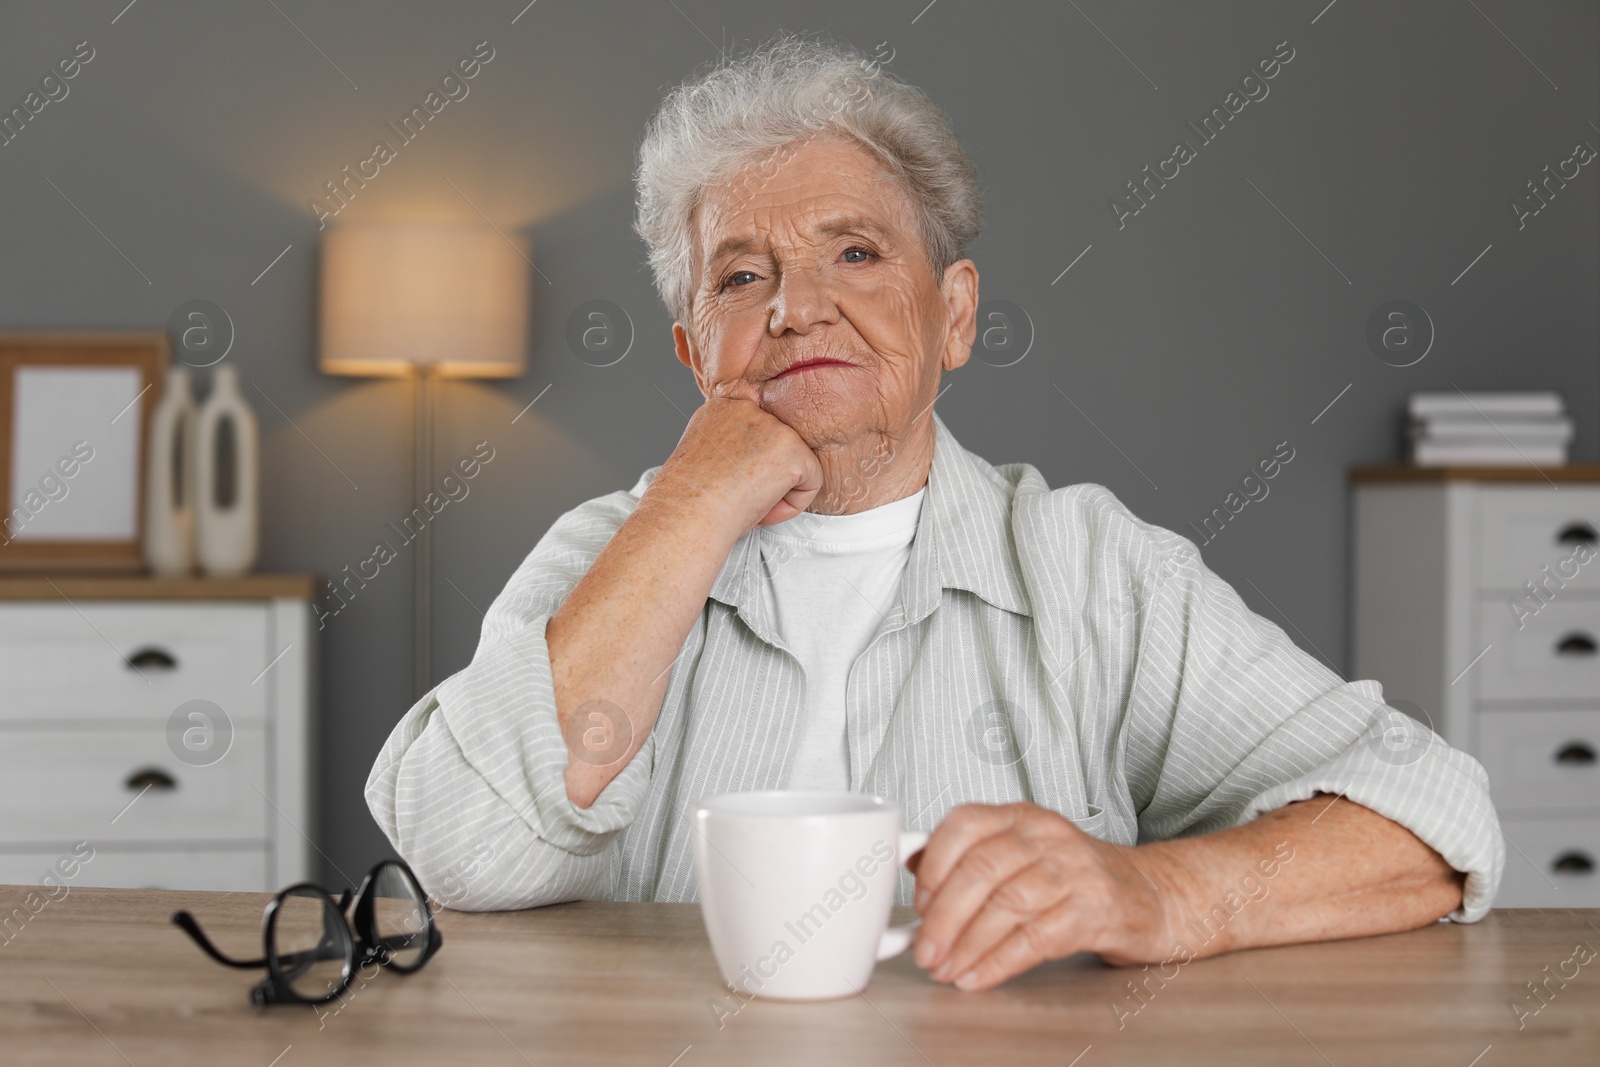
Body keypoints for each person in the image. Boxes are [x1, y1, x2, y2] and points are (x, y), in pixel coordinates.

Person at [367, 34, 1502, 992]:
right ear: (692, 350)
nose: (799, 307)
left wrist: (1159, 890)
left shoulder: (1090, 570)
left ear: (953, 317)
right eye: (740, 278)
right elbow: (458, 847)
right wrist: (695, 495)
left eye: (854, 252)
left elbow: (1431, 816)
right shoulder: (598, 551)